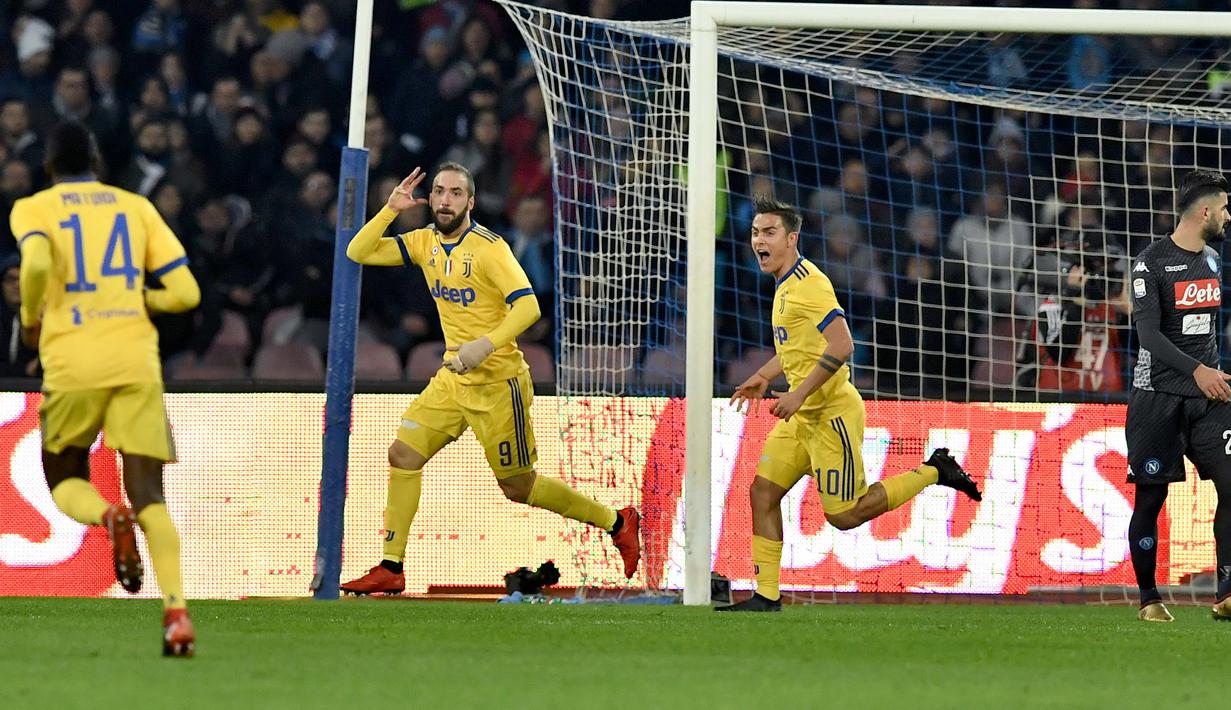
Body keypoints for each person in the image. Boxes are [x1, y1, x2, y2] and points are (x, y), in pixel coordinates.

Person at [340, 163, 641, 594]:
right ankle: (391, 566)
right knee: (403, 455)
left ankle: (616, 521)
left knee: (517, 486)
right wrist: (390, 210)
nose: (445, 200)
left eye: (455, 193)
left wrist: (484, 345)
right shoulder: (423, 242)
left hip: (499, 383)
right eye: (439, 191)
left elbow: (528, 306)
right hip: (453, 380)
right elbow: (358, 251)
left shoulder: (490, 248)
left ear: (471, 202)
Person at [717, 196, 982, 612]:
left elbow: (842, 344)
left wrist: (798, 394)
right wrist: (765, 375)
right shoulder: (785, 283)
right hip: (802, 416)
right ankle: (766, 596)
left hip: (830, 414)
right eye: (755, 233)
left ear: (792, 238)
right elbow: (801, 346)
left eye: (769, 232)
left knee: (844, 515)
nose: (759, 241)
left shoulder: (810, 284)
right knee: (763, 492)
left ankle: (935, 470)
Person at [8, 122, 200, 655]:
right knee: (150, 496)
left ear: (48, 166)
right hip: (135, 360)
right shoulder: (136, 207)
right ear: (97, 162)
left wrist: (30, 318)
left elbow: (37, 262)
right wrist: (141, 298)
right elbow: (185, 293)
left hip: (72, 361)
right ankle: (177, 615)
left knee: (65, 476)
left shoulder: (33, 208)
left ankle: (108, 516)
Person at [1125, 169, 1231, 623]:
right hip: (1157, 398)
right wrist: (1198, 370)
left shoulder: (1213, 260)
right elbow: (1148, 335)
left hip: (1208, 398)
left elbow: (1204, 330)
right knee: (1150, 501)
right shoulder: (1149, 263)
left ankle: (1227, 591)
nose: (1229, 216)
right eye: (1224, 208)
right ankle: (1149, 598)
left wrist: (1210, 372)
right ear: (1204, 212)